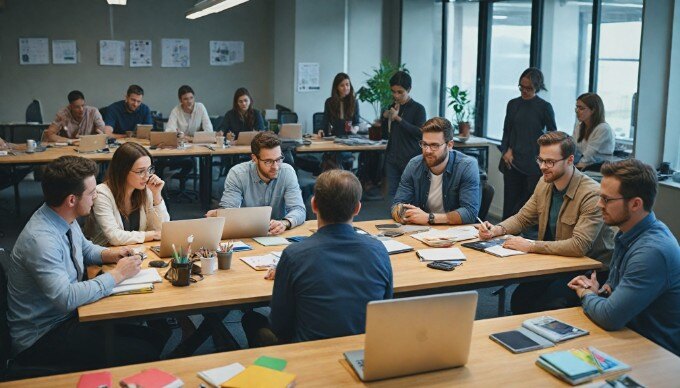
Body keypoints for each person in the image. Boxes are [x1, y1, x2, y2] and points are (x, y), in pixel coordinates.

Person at [5, 156, 165, 370]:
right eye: (91, 193)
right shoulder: (41, 240)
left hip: (66, 318)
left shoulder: (61, 216)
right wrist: (118, 275)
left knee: (157, 335)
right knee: (145, 352)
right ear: (72, 199)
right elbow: (66, 298)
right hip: (42, 337)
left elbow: (86, 248)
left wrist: (113, 254)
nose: (96, 196)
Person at [242, 169, 393, 346]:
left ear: (313, 205)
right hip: (364, 351)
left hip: (308, 352)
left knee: (250, 319)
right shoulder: (378, 250)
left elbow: (280, 326)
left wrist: (286, 273)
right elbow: (385, 308)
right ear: (357, 208)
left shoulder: (294, 256)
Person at [478, 131, 614, 314]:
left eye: (550, 162)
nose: (543, 167)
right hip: (555, 262)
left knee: (547, 303)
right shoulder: (545, 182)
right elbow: (523, 217)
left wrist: (531, 245)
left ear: (569, 160)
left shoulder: (591, 194)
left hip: (589, 269)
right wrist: (497, 229)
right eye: (540, 160)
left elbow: (579, 246)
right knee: (520, 300)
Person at [568, 159, 680, 356]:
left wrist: (587, 294)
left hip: (653, 352)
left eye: (607, 200)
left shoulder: (652, 252)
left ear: (636, 203)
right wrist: (600, 292)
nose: (598, 204)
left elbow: (610, 317)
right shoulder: (626, 234)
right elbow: (611, 292)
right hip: (626, 335)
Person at [206, 132, 305, 235]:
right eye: (268, 161)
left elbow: (298, 209)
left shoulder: (287, 172)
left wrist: (285, 223)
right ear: (254, 159)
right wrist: (223, 214)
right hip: (246, 233)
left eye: (278, 159)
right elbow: (229, 210)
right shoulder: (237, 174)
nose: (275, 167)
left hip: (278, 234)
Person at [391, 117, 480, 226]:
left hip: (454, 231)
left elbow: (470, 212)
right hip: (422, 230)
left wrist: (430, 218)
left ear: (449, 145)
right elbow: (397, 204)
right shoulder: (414, 165)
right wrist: (401, 213)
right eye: (424, 144)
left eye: (434, 145)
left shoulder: (467, 166)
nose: (427, 151)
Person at [84, 142, 169, 246]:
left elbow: (162, 230)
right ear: (122, 171)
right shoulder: (102, 194)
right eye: (140, 171)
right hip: (106, 254)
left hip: (136, 251)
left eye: (150, 169)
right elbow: (114, 237)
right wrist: (151, 235)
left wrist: (157, 196)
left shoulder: (146, 190)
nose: (147, 176)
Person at [500, 67, 557, 220]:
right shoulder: (512, 104)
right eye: (521, 87)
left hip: (533, 163)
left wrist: (544, 157)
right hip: (512, 162)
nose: (524, 91)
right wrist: (506, 150)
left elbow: (553, 133)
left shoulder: (544, 107)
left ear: (537, 87)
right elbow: (507, 130)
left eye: (528, 88)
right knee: (509, 204)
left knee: (526, 206)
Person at [381, 71, 427, 197]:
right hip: (392, 158)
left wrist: (398, 119)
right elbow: (385, 134)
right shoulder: (392, 106)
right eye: (393, 91)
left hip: (410, 159)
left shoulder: (418, 108)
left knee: (408, 196)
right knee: (391, 196)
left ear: (409, 89)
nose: (396, 95)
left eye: (400, 92)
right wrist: (385, 118)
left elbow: (420, 133)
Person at [572, 93, 615, 169]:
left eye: (581, 108)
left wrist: (574, 168)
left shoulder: (603, 128)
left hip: (600, 169)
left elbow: (589, 156)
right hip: (585, 167)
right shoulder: (579, 126)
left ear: (593, 110)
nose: (577, 111)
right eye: (577, 107)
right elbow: (574, 149)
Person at [320, 73, 360, 137]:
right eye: (342, 85)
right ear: (337, 87)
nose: (345, 88)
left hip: (350, 137)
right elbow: (325, 121)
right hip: (333, 136)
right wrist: (321, 130)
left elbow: (356, 123)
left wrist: (355, 129)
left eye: (347, 85)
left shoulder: (354, 102)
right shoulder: (329, 102)